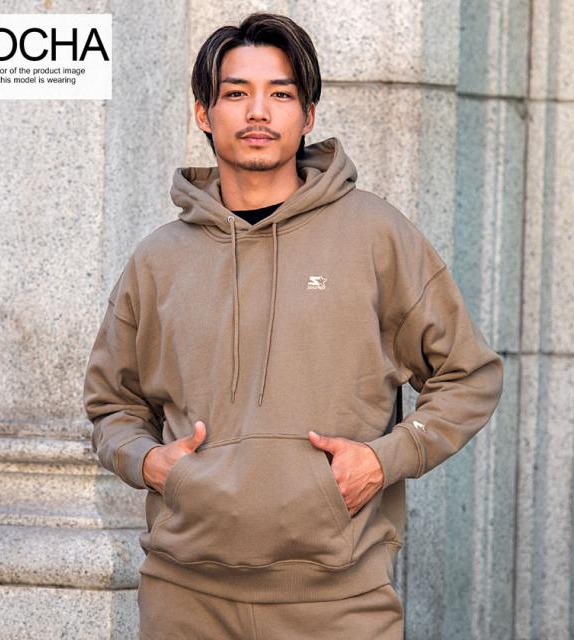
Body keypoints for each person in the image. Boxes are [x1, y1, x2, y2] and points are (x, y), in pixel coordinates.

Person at [82, 11, 504, 640]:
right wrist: (149, 463)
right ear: (204, 113)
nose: (258, 111)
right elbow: (111, 404)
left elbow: (470, 376)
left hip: (340, 604)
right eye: (236, 93)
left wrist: (384, 458)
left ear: (307, 115)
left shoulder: (375, 235)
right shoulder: (158, 259)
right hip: (184, 600)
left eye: (280, 94)